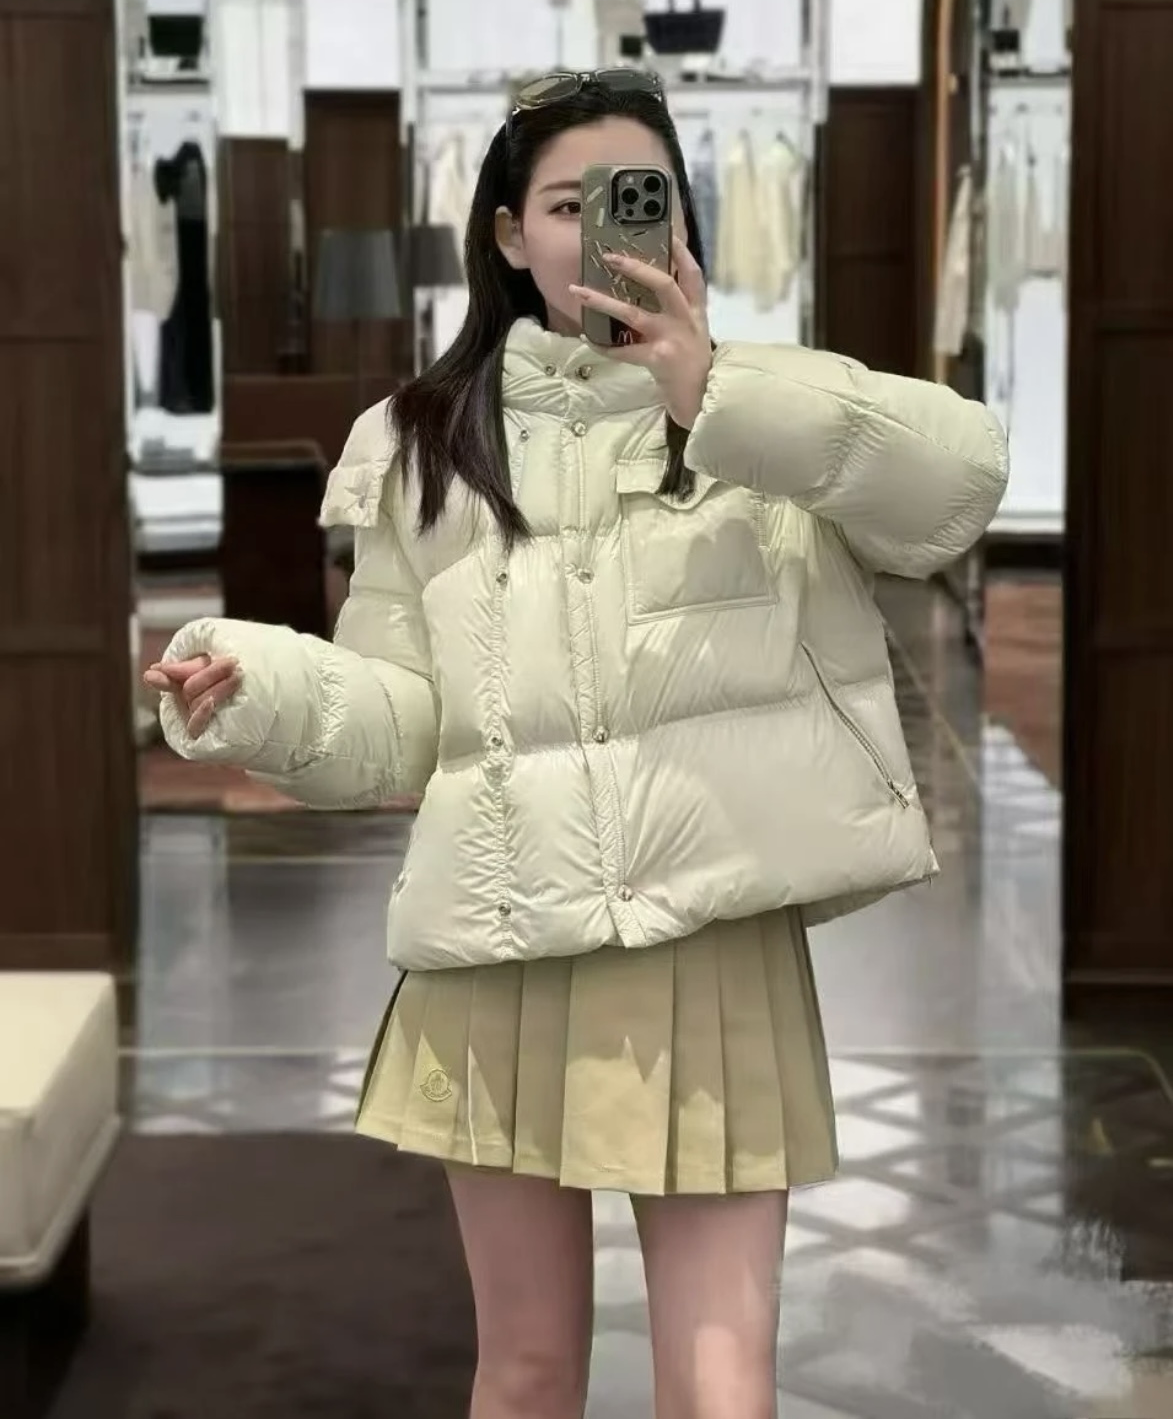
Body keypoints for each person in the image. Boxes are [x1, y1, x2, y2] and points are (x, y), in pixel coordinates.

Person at [146, 69, 1009, 1419]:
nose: (600, 232)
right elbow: (402, 724)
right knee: (527, 1372)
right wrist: (259, 690)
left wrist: (715, 387)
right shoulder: (423, 443)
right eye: (566, 204)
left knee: (720, 1383)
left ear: (680, 219)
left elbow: (958, 483)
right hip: (499, 939)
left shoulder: (763, 413)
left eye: (635, 198)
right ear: (506, 234)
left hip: (710, 942)